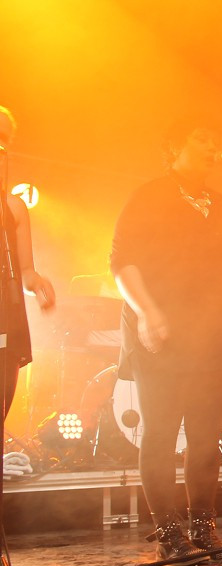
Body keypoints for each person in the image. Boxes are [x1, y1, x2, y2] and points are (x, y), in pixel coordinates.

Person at [110, 118, 222, 563]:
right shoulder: (150, 195)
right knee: (160, 434)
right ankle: (169, 531)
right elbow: (121, 262)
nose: (213, 146)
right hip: (161, 331)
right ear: (174, 147)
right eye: (202, 137)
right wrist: (149, 312)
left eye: (216, 138)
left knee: (206, 437)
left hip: (211, 335)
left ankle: (203, 527)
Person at [0, 105, 55, 477]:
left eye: (5, 140)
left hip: (6, 313)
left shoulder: (14, 207)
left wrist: (37, 284)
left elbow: (25, 269)